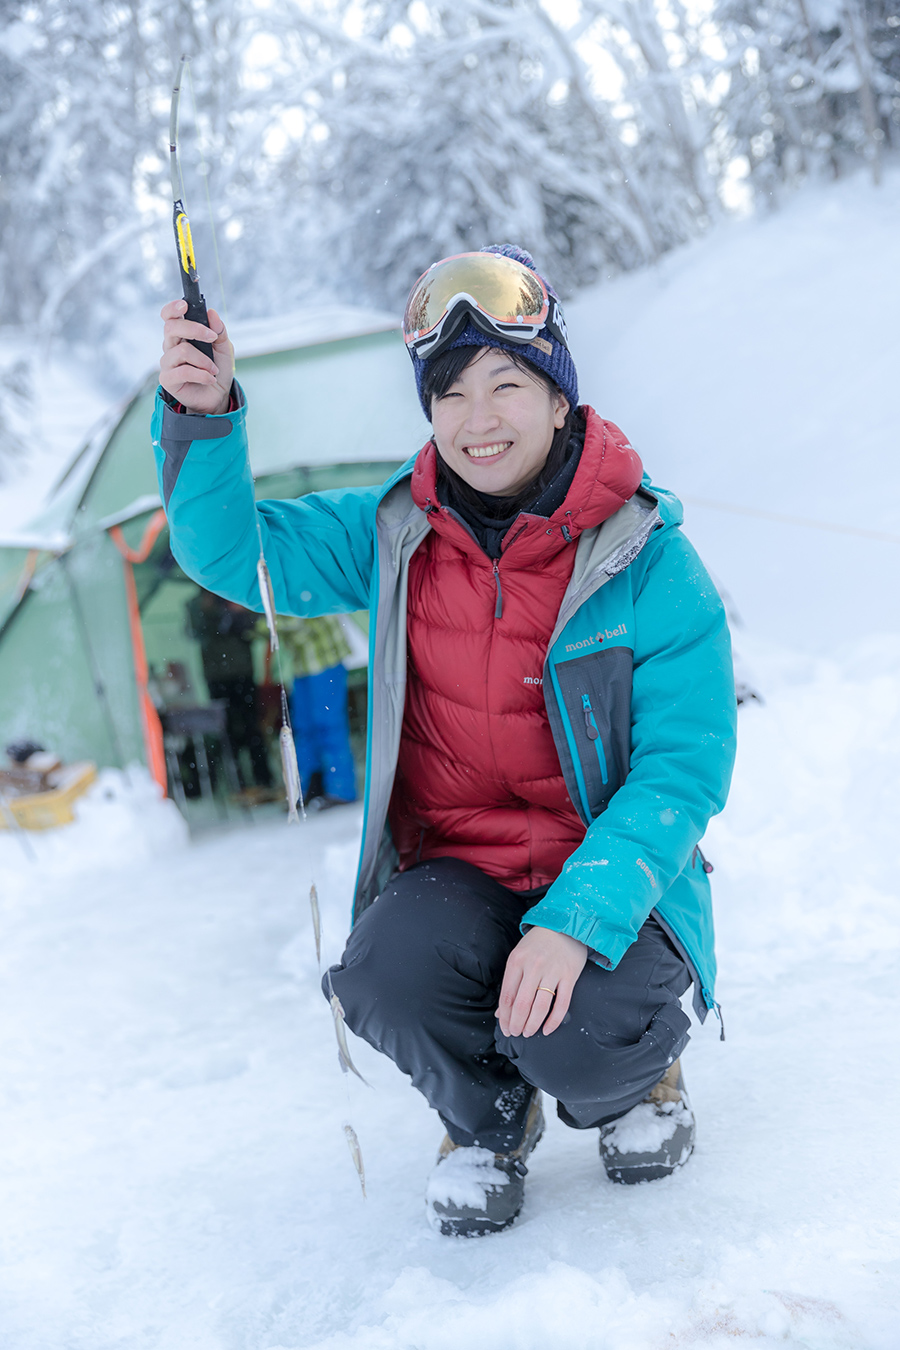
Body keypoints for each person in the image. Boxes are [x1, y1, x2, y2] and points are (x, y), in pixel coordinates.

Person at [154, 245, 736, 1237]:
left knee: (575, 1029)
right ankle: (485, 1123)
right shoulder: (392, 535)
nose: (479, 420)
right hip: (460, 872)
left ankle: (634, 1085)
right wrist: (203, 417)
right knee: (381, 973)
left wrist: (577, 919)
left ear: (560, 399)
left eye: (509, 384)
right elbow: (230, 554)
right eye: (452, 394)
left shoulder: (649, 557)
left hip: (615, 888)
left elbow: (682, 768)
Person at [185, 588, 274, 793]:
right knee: (227, 733)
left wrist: (241, 613)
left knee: (253, 727)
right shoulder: (195, 604)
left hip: (243, 672)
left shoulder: (236, 593)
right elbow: (194, 633)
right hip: (216, 677)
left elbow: (258, 628)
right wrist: (206, 611)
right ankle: (238, 784)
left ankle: (264, 780)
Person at [270, 614, 357, 806]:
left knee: (329, 724)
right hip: (302, 665)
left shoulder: (295, 584)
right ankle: (312, 787)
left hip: (325, 659)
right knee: (303, 728)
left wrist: (262, 624)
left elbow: (300, 621)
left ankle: (341, 789)